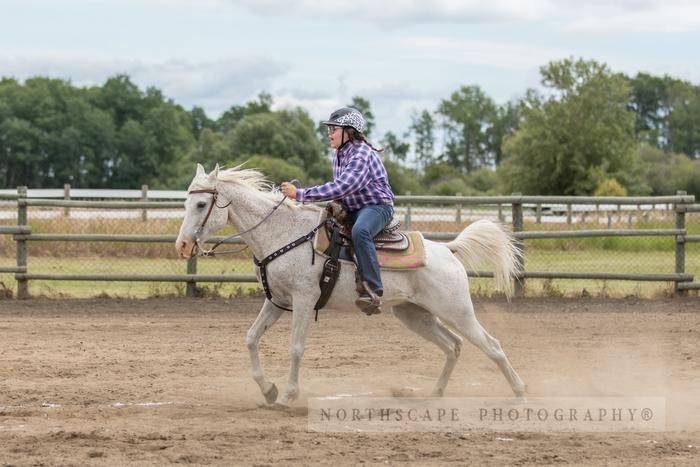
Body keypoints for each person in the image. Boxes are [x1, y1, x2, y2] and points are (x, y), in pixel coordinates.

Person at [281, 107, 395, 313]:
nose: (329, 134)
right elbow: (340, 191)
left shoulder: (361, 155)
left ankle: (373, 289)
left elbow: (342, 186)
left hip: (377, 207)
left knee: (361, 231)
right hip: (354, 208)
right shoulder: (339, 154)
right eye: (329, 129)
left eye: (333, 129)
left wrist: (300, 195)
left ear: (349, 131)